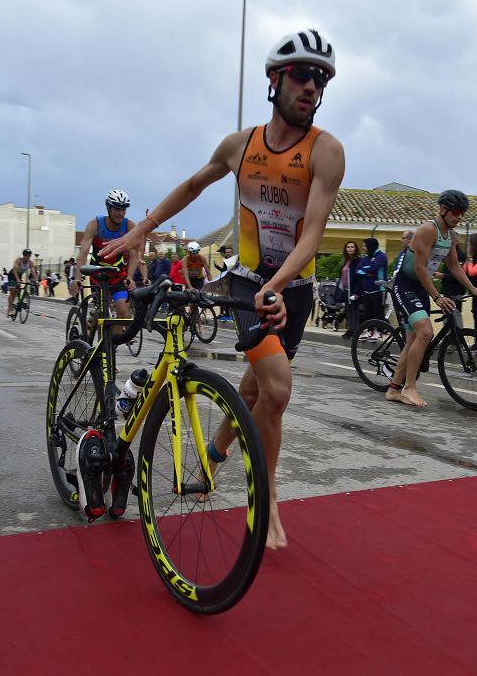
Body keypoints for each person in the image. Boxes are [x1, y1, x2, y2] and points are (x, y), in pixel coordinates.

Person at [99, 28, 345, 549]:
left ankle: (215, 451)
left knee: (257, 390)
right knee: (276, 391)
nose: (312, 87)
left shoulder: (327, 152)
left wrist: (280, 285)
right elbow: (193, 185)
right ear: (275, 80)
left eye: (320, 78)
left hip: (291, 291)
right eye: (302, 74)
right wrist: (141, 229)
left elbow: (316, 234)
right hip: (247, 284)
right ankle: (268, 500)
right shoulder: (241, 146)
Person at [386, 190, 477, 407]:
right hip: (406, 285)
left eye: (462, 213)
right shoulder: (428, 230)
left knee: (413, 339)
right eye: (456, 212)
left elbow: (453, 267)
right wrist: (438, 296)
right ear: (443, 209)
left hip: (421, 287)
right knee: (426, 332)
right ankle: (409, 388)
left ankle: (394, 389)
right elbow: (420, 268)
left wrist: (473, 288)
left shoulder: (452, 236)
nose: (459, 217)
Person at [74, 189, 141, 326]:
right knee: (103, 311)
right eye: (117, 208)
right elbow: (84, 252)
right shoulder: (95, 225)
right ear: (108, 207)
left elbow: (134, 256)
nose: (120, 213)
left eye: (123, 209)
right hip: (96, 273)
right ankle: (94, 333)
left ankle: (112, 345)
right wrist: (77, 277)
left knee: (124, 313)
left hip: (117, 274)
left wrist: (130, 277)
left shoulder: (129, 226)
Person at [355, 237, 387, 340]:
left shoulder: (381, 256)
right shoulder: (365, 257)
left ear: (370, 246)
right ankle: (370, 331)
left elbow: (374, 268)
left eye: (365, 245)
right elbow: (358, 271)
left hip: (378, 289)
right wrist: (368, 272)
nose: (363, 248)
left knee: (378, 312)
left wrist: (367, 270)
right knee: (368, 312)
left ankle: (379, 332)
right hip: (367, 290)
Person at [338, 240, 361, 338]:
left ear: (355, 249)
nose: (350, 249)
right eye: (348, 247)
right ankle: (350, 329)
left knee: (354, 310)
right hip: (346, 290)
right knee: (348, 310)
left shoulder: (358, 261)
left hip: (354, 290)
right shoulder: (346, 261)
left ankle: (355, 330)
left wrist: (356, 292)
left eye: (352, 247)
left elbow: (358, 277)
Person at [6, 249, 37, 316]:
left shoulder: (30, 263)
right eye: (27, 255)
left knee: (17, 291)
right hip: (12, 275)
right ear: (24, 255)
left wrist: (36, 280)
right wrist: (17, 279)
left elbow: (33, 271)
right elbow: (14, 270)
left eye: (29, 255)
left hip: (19, 275)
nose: (28, 257)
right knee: (13, 291)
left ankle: (19, 303)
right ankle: (10, 308)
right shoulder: (19, 260)